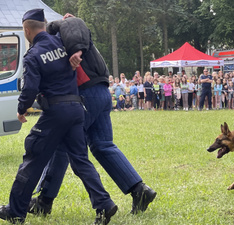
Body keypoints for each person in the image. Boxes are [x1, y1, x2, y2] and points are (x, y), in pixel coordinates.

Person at [27, 13, 156, 217]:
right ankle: (139, 189)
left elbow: (72, 24)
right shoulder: (70, 32)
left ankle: (44, 201)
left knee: (60, 145)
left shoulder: (64, 26)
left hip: (85, 94)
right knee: (102, 145)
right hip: (101, 93)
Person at [0, 9, 117, 224]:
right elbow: (74, 26)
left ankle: (15, 212)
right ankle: (104, 204)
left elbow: (30, 87)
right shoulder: (63, 45)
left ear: (26, 30)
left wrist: (21, 108)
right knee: (81, 161)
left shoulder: (34, 54)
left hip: (55, 112)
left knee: (33, 157)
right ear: (44, 25)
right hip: (76, 110)